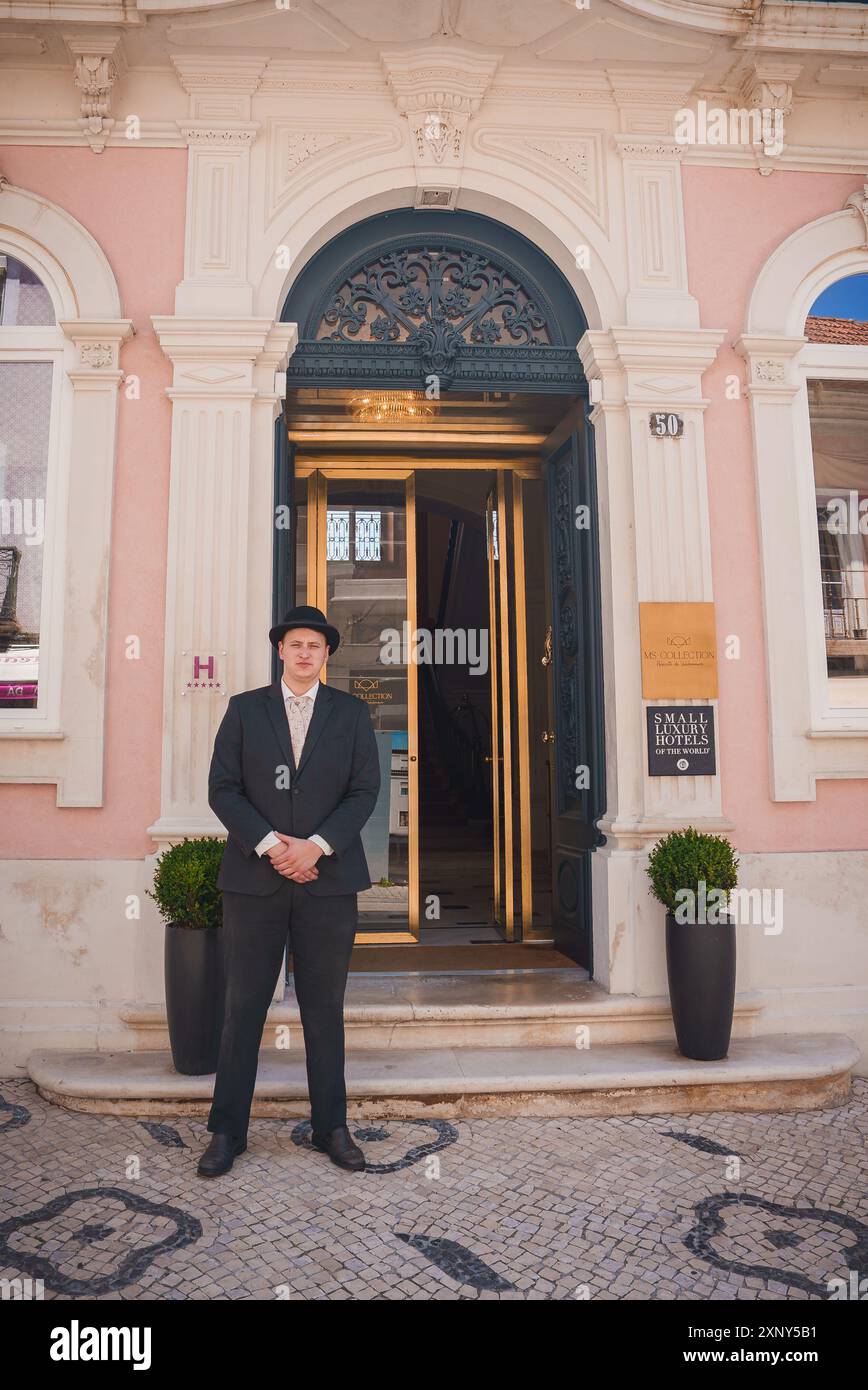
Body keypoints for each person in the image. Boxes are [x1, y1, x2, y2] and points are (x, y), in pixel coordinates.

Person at [197, 604, 380, 1177]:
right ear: (281, 650)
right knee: (244, 1006)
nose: (305, 653)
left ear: (327, 654)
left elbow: (364, 791)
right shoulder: (245, 710)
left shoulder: (351, 715)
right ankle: (227, 1130)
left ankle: (332, 1126)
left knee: (325, 1009)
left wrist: (316, 846)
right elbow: (223, 790)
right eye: (296, 643)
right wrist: (274, 846)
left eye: (316, 645)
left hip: (329, 882)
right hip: (255, 881)